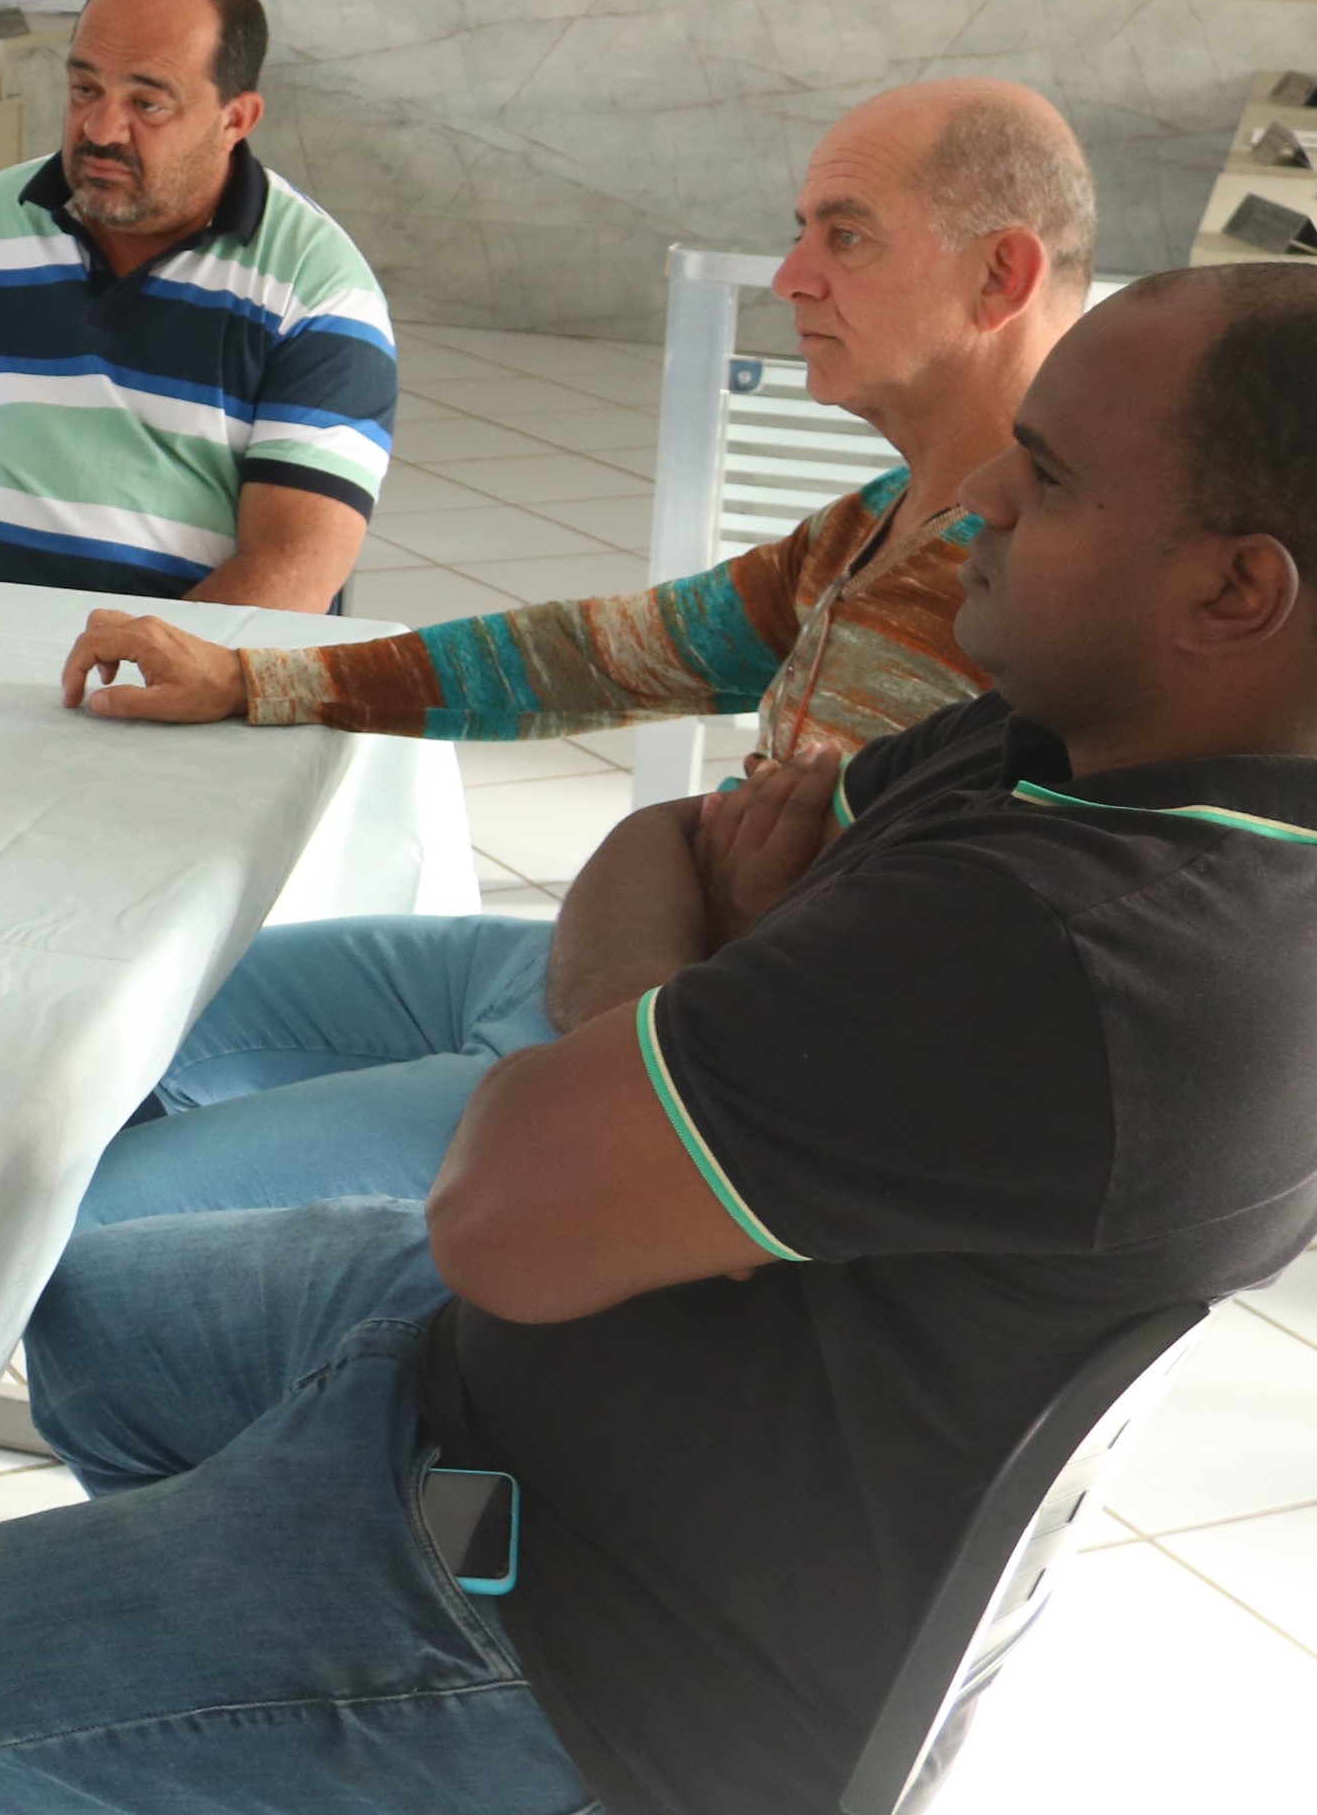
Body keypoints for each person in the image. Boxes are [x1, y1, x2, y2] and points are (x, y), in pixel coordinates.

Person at [0, 262, 1317, 1815]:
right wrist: (682, 990)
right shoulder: (1080, 742)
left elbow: (506, 1207)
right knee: (70, 1314)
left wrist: (648, 1005)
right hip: (534, 1375)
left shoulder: (1076, 945)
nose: (984, 498)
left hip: (575, 1616)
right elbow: (676, 840)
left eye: (1054, 473)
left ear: (1235, 590)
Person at [56, 77, 1093, 1227]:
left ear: (1001, 275)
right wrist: (256, 677)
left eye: (844, 236)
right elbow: (603, 654)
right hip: (603, 982)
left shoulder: (1049, 603)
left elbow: (899, 994)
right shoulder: (881, 519)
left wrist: (694, 916)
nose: (792, 277)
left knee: (85, 1225)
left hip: (660, 1082)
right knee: (99, 1024)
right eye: (801, 232)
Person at [0, 0, 393, 610]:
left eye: (147, 104)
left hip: (176, 665)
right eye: (85, 90)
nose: (101, 130)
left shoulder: (316, 289)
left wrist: (131, 662)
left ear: (235, 120)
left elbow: (292, 566)